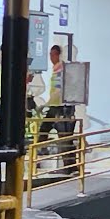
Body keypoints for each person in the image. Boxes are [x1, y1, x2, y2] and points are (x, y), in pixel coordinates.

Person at [38, 45, 81, 176]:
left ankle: (70, 167)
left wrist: (45, 104)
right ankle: (68, 165)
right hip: (57, 106)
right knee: (48, 133)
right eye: (50, 54)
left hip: (59, 108)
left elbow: (58, 90)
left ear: (58, 55)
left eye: (53, 54)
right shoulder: (58, 68)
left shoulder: (60, 70)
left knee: (63, 138)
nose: (51, 57)